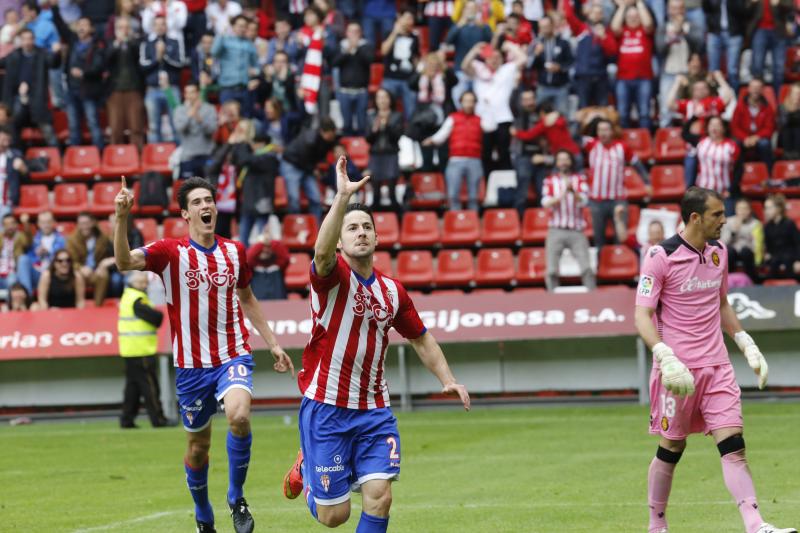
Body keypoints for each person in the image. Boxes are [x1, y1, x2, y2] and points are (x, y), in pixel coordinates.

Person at [281, 157, 470, 532]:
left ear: (378, 237)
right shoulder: (331, 276)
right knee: (334, 517)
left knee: (381, 496)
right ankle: (306, 466)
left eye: (367, 227)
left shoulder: (392, 291)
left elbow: (420, 337)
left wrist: (447, 378)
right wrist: (341, 200)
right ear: (340, 239)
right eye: (352, 228)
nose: (361, 232)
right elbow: (320, 252)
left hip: (374, 410)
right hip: (327, 408)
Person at [113, 175, 294, 533]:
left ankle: (236, 497)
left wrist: (272, 342)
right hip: (192, 366)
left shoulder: (234, 251)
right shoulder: (169, 252)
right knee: (198, 448)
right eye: (197, 202)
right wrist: (122, 218)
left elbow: (248, 298)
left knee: (240, 417)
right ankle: (203, 515)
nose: (205, 206)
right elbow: (122, 262)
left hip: (232, 353)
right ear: (185, 213)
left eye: (208, 200)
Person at [634, 186, 796, 533]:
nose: (724, 220)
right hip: (678, 373)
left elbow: (721, 304)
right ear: (696, 217)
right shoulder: (659, 256)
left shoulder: (719, 252)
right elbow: (642, 316)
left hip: (718, 367)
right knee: (672, 448)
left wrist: (745, 342)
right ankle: (656, 525)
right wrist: (664, 355)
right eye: (717, 215)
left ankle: (755, 525)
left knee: (734, 446)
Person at [584, 118, 651, 249]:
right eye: (600, 130)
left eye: (606, 129)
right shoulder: (591, 145)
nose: (603, 133)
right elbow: (572, 134)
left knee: (621, 238)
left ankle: (620, 264)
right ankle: (601, 266)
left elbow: (637, 164)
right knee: (599, 239)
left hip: (618, 200)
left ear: (612, 131)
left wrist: (647, 182)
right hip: (596, 201)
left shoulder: (622, 147)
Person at [461, 40, 526, 173]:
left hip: (503, 118)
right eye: (491, 58)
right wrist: (474, 50)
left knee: (504, 152)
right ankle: (487, 183)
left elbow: (523, 59)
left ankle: (506, 185)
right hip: (483, 119)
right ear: (485, 59)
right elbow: (464, 66)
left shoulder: (506, 70)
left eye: (497, 57)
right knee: (485, 153)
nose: (494, 60)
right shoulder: (479, 71)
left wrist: (511, 46)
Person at [118, 270, 170, 429]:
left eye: (145, 282)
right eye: (141, 282)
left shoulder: (127, 296)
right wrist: (158, 314)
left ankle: (127, 419)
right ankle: (158, 419)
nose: (144, 285)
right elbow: (155, 317)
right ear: (132, 282)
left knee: (132, 388)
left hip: (130, 349)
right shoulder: (137, 299)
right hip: (141, 349)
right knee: (150, 386)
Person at [423, 91, 487, 211]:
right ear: (461, 103)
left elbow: (491, 127)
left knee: (473, 196)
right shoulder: (453, 118)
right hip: (455, 160)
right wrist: (432, 140)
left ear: (475, 103)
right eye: (466, 101)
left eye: (471, 101)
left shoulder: (480, 119)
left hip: (474, 159)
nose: (468, 104)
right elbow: (442, 134)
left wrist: (487, 108)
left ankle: (472, 221)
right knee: (453, 194)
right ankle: (455, 220)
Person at [51, 7, 106, 149]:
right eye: (79, 25)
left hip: (89, 90)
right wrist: (54, 7)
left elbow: (99, 66)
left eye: (84, 25)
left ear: (91, 29)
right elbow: (60, 25)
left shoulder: (97, 45)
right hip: (72, 90)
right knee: (73, 125)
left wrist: (83, 73)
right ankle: (74, 154)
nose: (81, 28)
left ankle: (99, 154)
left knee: (93, 122)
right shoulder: (72, 41)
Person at [542, 150, 595, 291]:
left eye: (566, 159)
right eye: (561, 159)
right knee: (551, 270)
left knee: (586, 268)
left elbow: (584, 200)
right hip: (556, 230)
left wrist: (573, 192)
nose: (564, 162)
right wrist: (561, 195)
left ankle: (594, 298)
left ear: (570, 162)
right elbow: (546, 202)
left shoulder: (579, 179)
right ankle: (552, 301)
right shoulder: (549, 181)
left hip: (576, 230)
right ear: (557, 163)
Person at [0, 28, 59, 147]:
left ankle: (57, 155)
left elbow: (54, 62)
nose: (27, 42)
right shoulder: (14, 55)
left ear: (34, 40)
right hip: (17, 99)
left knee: (47, 129)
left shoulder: (42, 54)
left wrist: (57, 53)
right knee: (12, 127)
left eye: (29, 39)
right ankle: (16, 155)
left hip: (36, 99)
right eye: (24, 39)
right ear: (20, 41)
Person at [280, 117, 338, 222]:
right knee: (294, 199)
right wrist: (314, 170)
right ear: (322, 132)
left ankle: (315, 227)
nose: (331, 137)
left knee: (316, 198)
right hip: (292, 165)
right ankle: (295, 224)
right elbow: (303, 159)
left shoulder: (330, 140)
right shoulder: (309, 139)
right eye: (329, 134)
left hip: (307, 167)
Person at [563, 0, 617, 109]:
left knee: (602, 108)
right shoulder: (581, 28)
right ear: (588, 13)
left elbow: (613, 51)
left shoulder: (606, 31)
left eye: (599, 13)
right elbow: (568, 15)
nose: (597, 15)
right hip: (584, 75)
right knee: (584, 108)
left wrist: (604, 38)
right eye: (594, 12)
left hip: (601, 75)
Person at [610, 0, 655, 129]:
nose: (633, 19)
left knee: (644, 113)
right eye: (630, 16)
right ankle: (624, 143)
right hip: (623, 79)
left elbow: (648, 23)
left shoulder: (646, 32)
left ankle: (645, 141)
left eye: (636, 16)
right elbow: (614, 27)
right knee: (623, 113)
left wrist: (639, 2)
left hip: (644, 78)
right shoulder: (622, 32)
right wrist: (623, 6)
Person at [682, 116, 741, 212]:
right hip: (703, 194)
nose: (714, 127)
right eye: (712, 124)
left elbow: (739, 170)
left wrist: (731, 190)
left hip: (723, 194)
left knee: (726, 224)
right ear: (707, 127)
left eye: (718, 125)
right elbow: (684, 134)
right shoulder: (701, 142)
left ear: (724, 128)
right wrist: (695, 117)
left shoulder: (732, 146)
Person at [140, 15, 184, 143]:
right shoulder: (146, 44)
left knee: (177, 124)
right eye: (157, 24)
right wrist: (157, 58)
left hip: (172, 88)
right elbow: (142, 67)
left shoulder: (175, 42)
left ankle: (180, 158)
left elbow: (180, 64)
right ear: (153, 27)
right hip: (152, 89)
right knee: (153, 127)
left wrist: (164, 57)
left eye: (163, 24)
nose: (160, 27)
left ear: (167, 26)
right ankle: (155, 157)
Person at [233, 130, 280, 245]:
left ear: (262, 143)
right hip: (249, 203)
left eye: (255, 143)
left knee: (262, 241)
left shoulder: (270, 157)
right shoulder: (256, 157)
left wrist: (243, 144)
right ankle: (244, 262)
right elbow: (238, 159)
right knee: (242, 242)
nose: (253, 146)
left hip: (261, 203)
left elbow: (245, 159)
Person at [105, 16, 146, 149]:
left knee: (136, 126)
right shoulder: (110, 44)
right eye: (120, 28)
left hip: (134, 89)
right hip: (115, 90)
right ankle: (116, 158)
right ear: (115, 30)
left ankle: (138, 155)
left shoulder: (136, 43)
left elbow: (138, 56)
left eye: (126, 27)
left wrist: (128, 41)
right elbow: (105, 60)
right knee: (116, 127)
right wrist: (117, 44)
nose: (124, 30)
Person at [67, 212, 118, 307]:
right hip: (79, 272)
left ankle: (97, 306)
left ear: (93, 223)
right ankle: (80, 306)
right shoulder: (72, 240)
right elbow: (70, 261)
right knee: (78, 275)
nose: (84, 226)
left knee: (104, 274)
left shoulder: (103, 238)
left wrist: (102, 266)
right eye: (81, 224)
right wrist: (80, 268)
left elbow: (109, 255)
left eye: (87, 223)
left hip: (96, 271)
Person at [212, 15, 258, 117]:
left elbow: (256, 66)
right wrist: (221, 34)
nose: (242, 29)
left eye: (244, 26)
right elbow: (214, 52)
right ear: (233, 27)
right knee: (227, 120)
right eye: (239, 26)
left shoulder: (250, 44)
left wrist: (256, 76)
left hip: (244, 89)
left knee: (245, 120)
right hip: (228, 88)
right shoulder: (225, 40)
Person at [365, 88, 403, 211]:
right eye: (379, 97)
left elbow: (396, 137)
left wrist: (386, 125)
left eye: (385, 97)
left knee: (392, 194)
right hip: (376, 156)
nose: (382, 100)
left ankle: (397, 222)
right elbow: (368, 139)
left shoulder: (397, 116)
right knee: (375, 195)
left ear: (390, 100)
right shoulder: (371, 117)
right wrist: (375, 129)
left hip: (391, 155)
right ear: (375, 100)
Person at [332, 21, 373, 136]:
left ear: (361, 33)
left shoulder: (366, 46)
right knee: (346, 125)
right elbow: (335, 62)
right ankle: (347, 151)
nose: (353, 34)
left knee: (362, 125)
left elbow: (369, 60)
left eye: (356, 31)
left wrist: (357, 48)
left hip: (361, 91)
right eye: (351, 31)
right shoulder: (341, 46)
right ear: (346, 33)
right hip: (344, 91)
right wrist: (347, 51)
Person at [746, 0, 794, 97]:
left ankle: (777, 100)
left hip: (778, 31)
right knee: (757, 66)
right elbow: (744, 11)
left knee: (779, 68)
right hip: (759, 30)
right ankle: (759, 99)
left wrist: (779, 3)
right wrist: (752, 3)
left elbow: (790, 7)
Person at [529, 15, 573, 117]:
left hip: (560, 86)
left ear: (552, 25)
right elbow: (530, 66)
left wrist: (560, 67)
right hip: (543, 86)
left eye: (547, 26)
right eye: (542, 27)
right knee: (537, 115)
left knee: (562, 115)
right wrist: (536, 54)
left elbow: (570, 62)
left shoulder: (563, 43)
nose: (544, 29)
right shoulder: (536, 43)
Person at [173, 83, 218, 180]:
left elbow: (212, 130)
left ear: (198, 93)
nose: (189, 96)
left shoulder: (209, 109)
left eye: (192, 92)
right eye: (187, 93)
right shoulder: (179, 110)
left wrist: (199, 119)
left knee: (209, 189)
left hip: (207, 155)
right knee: (188, 191)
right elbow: (179, 129)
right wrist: (189, 116)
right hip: (188, 157)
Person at [380, 10, 419, 121]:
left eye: (411, 18)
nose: (408, 21)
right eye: (406, 18)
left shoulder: (414, 37)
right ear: (399, 19)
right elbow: (384, 51)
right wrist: (395, 32)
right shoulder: (389, 33)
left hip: (408, 79)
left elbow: (415, 57)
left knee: (411, 110)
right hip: (390, 78)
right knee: (386, 108)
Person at [730, 78, 775, 172]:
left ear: (762, 90)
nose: (755, 90)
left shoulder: (767, 107)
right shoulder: (740, 105)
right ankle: (737, 174)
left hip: (759, 138)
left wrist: (756, 137)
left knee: (765, 144)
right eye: (753, 87)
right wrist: (745, 138)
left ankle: (769, 174)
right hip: (743, 138)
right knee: (736, 144)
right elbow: (734, 126)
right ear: (749, 89)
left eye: (758, 87)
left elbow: (769, 128)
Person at [703, 0, 747, 94]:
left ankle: (733, 99)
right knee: (713, 71)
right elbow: (706, 8)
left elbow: (742, 11)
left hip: (734, 33)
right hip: (715, 32)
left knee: (732, 71)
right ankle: (713, 98)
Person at [16, 211, 65, 294]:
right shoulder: (33, 240)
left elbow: (64, 259)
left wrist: (49, 253)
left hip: (53, 275)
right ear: (38, 224)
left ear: (54, 222)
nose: (46, 225)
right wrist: (36, 255)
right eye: (43, 222)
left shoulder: (62, 239)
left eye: (48, 222)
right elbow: (28, 260)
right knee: (23, 259)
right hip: (37, 274)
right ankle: (27, 296)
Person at [721, 198, 763, 282]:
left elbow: (757, 244)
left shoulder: (755, 224)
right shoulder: (728, 222)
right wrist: (733, 232)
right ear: (736, 210)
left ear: (750, 210)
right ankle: (727, 281)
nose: (742, 212)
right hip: (733, 252)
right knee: (730, 251)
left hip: (747, 252)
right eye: (740, 209)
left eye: (745, 209)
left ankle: (751, 281)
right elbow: (723, 243)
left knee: (745, 251)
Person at [762, 193, 800, 279]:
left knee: (787, 260)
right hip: (776, 256)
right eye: (765, 208)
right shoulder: (767, 227)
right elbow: (769, 246)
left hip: (790, 256)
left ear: (778, 209)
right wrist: (768, 253)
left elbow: (798, 243)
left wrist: (798, 260)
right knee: (772, 263)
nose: (766, 211)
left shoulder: (789, 224)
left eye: (769, 208)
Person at [246, 227, 290, 300]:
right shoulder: (253, 267)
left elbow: (285, 257)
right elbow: (248, 258)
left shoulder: (278, 266)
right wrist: (261, 244)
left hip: (278, 302)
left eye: (268, 248)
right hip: (259, 302)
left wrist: (270, 242)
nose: (265, 251)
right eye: (262, 249)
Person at [0, 126, 27, 219]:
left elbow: (26, 178)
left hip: (6, 202)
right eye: (3, 137)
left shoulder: (15, 155)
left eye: (8, 138)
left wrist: (23, 170)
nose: (6, 140)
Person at [0, 212, 31, 291]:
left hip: (13, 273)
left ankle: (11, 302)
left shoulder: (20, 236)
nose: (9, 226)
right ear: (3, 226)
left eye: (12, 223)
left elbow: (28, 241)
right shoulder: (0, 237)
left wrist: (25, 223)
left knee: (11, 280)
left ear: (16, 225)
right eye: (6, 224)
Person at [778, 83, 800, 159]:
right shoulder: (782, 107)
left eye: (799, 94)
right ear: (790, 94)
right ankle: (787, 156)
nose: (797, 96)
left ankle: (797, 156)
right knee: (787, 129)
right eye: (795, 93)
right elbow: (782, 124)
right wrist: (792, 111)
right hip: (786, 136)